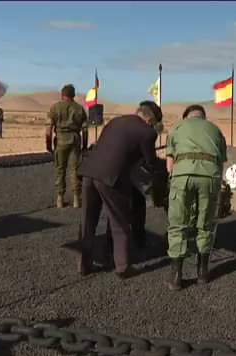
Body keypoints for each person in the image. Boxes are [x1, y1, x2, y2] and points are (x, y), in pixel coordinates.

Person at [76, 101, 166, 279]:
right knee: (120, 221)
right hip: (111, 177)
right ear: (151, 120)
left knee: (87, 220)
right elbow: (150, 162)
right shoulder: (147, 132)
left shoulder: (116, 121)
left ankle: (83, 265)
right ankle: (123, 266)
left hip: (88, 172)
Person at [165, 104, 227, 291]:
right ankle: (203, 273)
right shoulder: (215, 130)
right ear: (203, 117)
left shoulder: (177, 127)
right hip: (210, 177)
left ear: (187, 117)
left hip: (182, 176)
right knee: (206, 225)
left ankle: (176, 277)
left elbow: (169, 165)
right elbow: (221, 163)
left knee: (177, 225)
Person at [46, 84, 88, 208]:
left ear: (62, 94)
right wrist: (84, 146)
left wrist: (48, 145)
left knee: (60, 169)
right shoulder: (80, 109)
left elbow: (48, 129)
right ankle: (76, 199)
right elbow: (85, 130)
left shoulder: (55, 108)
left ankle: (60, 198)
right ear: (73, 95)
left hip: (60, 140)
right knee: (75, 169)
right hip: (75, 140)